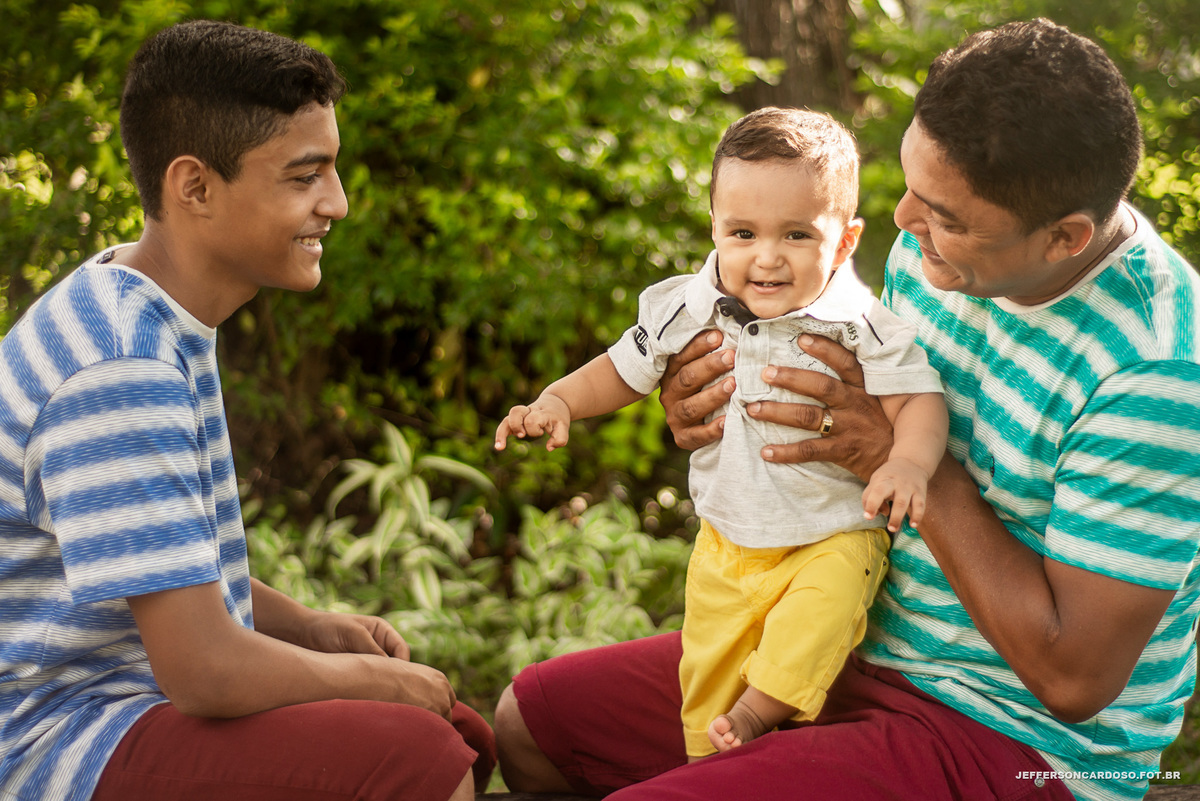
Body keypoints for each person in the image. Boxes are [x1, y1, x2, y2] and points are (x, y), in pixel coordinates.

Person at [494, 18, 1200, 801]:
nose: (903, 225)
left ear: (1064, 237)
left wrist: (898, 458)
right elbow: (841, 394)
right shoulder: (936, 251)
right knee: (533, 724)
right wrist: (720, 400)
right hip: (843, 633)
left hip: (1012, 733)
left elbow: (1075, 677)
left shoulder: (1155, 372)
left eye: (945, 217)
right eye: (911, 189)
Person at [0, 20, 493, 801]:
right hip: (62, 742)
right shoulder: (119, 365)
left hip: (132, 704)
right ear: (193, 185)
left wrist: (304, 625)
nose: (337, 201)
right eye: (304, 176)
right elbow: (202, 670)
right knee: (414, 756)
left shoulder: (151, 313)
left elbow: (154, 563)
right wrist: (364, 679)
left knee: (456, 728)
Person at [495, 107, 946, 758]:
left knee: (826, 602)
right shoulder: (687, 304)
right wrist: (559, 400)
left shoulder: (857, 322)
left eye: (796, 235)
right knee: (704, 702)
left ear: (844, 243)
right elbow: (622, 368)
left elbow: (920, 400)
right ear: (713, 227)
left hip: (830, 533)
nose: (766, 258)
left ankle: (766, 707)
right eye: (742, 232)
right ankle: (718, 759)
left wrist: (907, 462)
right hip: (727, 545)